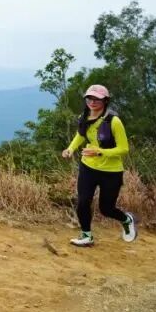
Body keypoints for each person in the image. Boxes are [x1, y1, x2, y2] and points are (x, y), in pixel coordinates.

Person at [60, 85, 136, 247]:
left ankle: (126, 219)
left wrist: (100, 152)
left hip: (111, 171)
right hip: (88, 167)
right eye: (89, 98)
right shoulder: (84, 116)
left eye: (97, 99)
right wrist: (70, 149)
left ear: (105, 101)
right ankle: (86, 235)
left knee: (106, 209)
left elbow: (124, 149)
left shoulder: (113, 121)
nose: (92, 102)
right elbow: (81, 135)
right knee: (82, 202)